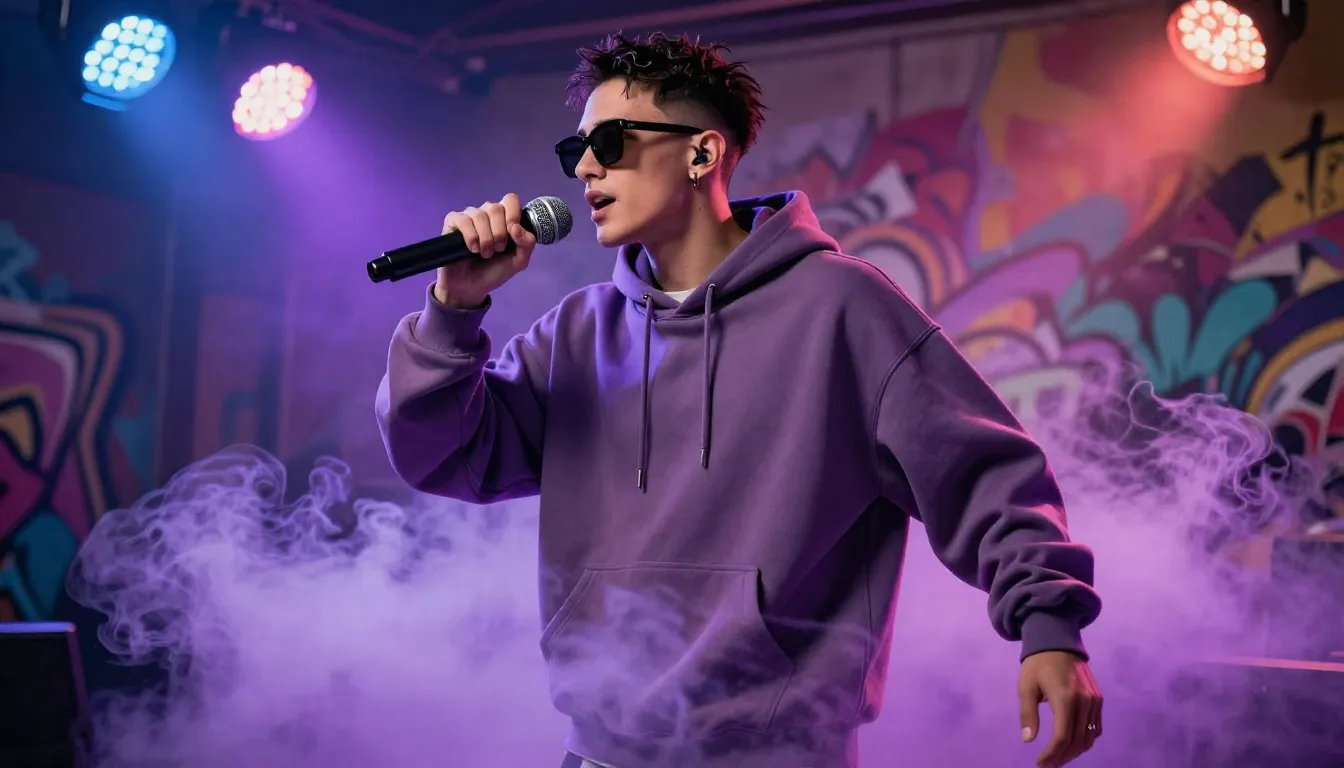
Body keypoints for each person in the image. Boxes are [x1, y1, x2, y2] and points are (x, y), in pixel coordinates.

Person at [376, 32, 1103, 768]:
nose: (587, 167)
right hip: (597, 756)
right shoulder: (576, 332)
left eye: (610, 142)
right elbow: (441, 457)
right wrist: (453, 309)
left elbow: (987, 475)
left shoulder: (842, 308)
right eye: (577, 151)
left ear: (702, 154)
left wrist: (1049, 626)